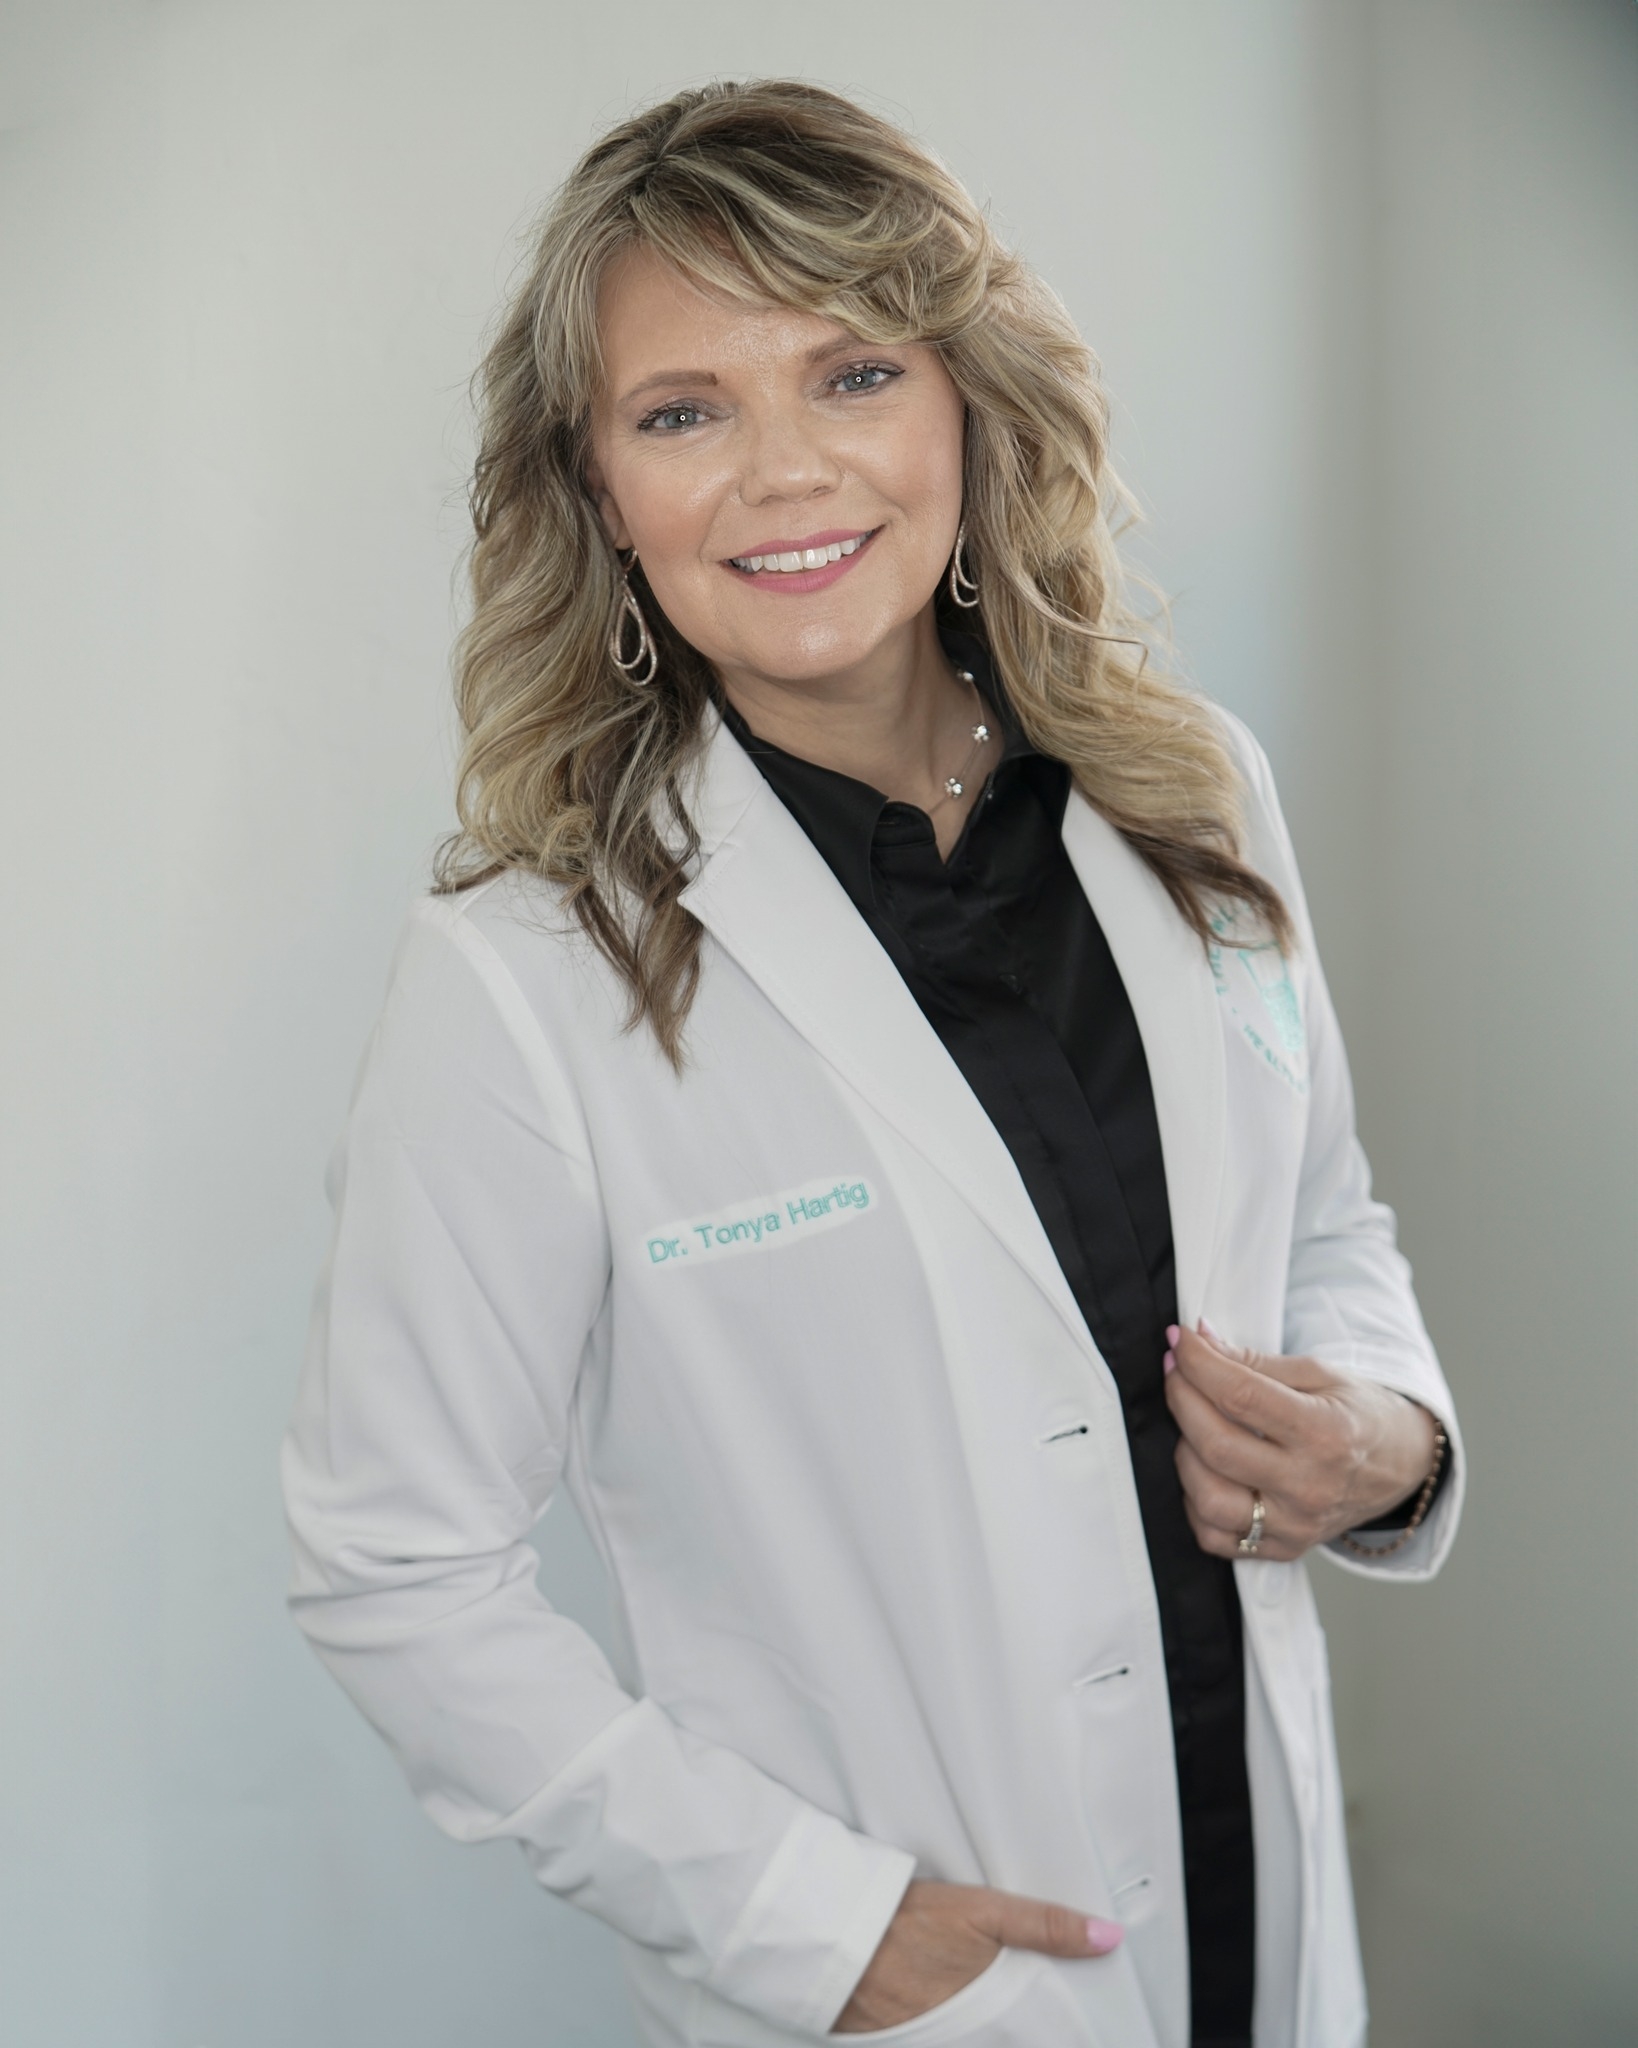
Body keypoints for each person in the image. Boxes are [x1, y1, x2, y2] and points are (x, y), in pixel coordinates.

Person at [280, 80, 1462, 2048]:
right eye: (683, 412)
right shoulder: (527, 973)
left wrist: (1391, 1436)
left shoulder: (1191, 796)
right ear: (598, 490)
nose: (782, 471)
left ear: (965, 404)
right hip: (931, 1985)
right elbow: (393, 1569)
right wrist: (810, 1926)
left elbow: (1324, 1218)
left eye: (851, 373)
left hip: (1257, 1895)